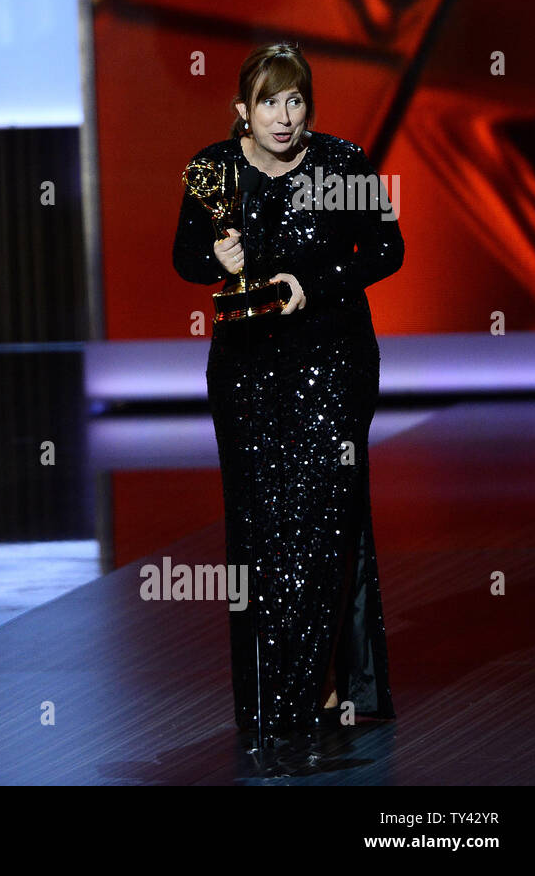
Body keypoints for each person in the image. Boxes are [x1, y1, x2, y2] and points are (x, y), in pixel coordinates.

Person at [172, 43, 402, 742]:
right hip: (246, 372)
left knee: (324, 524)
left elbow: (387, 251)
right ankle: (277, 697)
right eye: (270, 101)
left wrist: (317, 283)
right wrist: (220, 257)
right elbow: (185, 257)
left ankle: (320, 688)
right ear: (242, 109)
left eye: (296, 100)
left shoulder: (340, 164)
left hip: (333, 362)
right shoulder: (216, 169)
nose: (285, 115)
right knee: (260, 528)